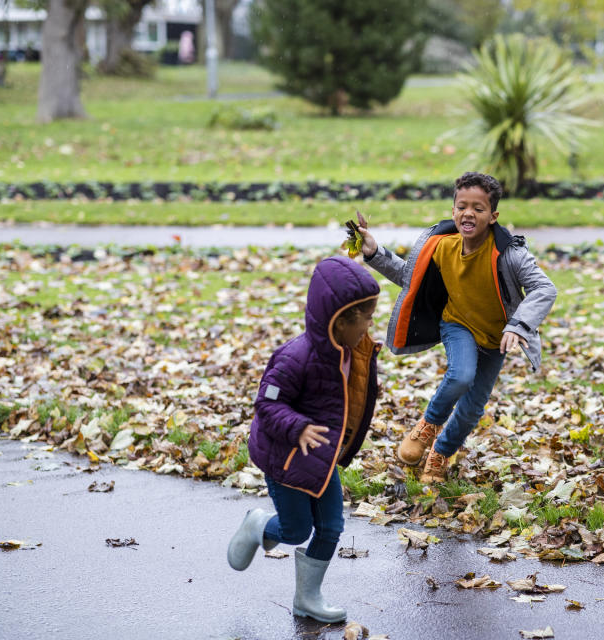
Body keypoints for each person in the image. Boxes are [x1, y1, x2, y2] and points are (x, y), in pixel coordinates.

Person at [357, 171, 557, 484]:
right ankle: (428, 425)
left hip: (496, 338)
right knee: (461, 375)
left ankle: (441, 452)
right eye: (462, 206)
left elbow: (545, 289)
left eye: (479, 208)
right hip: (457, 323)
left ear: (493, 216)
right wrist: (372, 251)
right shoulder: (441, 247)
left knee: (473, 407)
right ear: (453, 211)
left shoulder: (510, 255)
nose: (469, 213)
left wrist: (518, 326)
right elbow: (408, 276)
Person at [227, 256, 380, 623]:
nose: (370, 325)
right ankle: (258, 525)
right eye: (366, 318)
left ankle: (307, 599)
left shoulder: (350, 350)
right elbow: (266, 402)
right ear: (339, 321)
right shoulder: (296, 357)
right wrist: (297, 427)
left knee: (330, 528)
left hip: (321, 459)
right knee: (296, 531)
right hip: (287, 459)